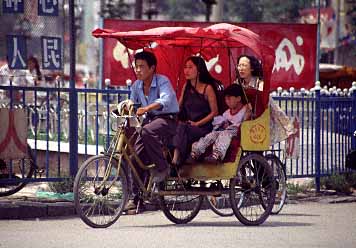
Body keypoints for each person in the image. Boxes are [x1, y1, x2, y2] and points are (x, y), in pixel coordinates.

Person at [129, 51, 179, 182]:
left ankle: (163, 168)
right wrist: (126, 107)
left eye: (142, 66)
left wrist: (146, 108)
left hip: (167, 120)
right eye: (136, 66)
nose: (138, 70)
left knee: (146, 130)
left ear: (152, 68)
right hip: (149, 121)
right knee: (135, 157)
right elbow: (132, 103)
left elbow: (165, 100)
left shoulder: (162, 81)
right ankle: (135, 199)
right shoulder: (136, 85)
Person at [235, 54, 295, 145]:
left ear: (252, 68)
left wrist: (287, 126)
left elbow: (269, 103)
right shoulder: (237, 84)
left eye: (244, 65)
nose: (241, 68)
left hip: (259, 121)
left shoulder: (260, 84)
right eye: (239, 65)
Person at [171, 56, 219, 165]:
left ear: (199, 70)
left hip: (204, 127)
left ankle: (175, 160)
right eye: (185, 67)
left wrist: (197, 123)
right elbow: (179, 107)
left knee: (183, 127)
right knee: (174, 127)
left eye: (190, 67)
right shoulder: (186, 86)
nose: (186, 70)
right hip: (187, 125)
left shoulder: (208, 88)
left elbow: (214, 112)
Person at [191, 84, 251, 163]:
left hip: (236, 131)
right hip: (223, 130)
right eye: (226, 99)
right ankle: (196, 152)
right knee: (211, 135)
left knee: (225, 134)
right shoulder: (226, 113)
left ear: (238, 98)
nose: (227, 102)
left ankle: (218, 154)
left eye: (229, 99)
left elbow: (247, 119)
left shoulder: (245, 109)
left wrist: (248, 111)